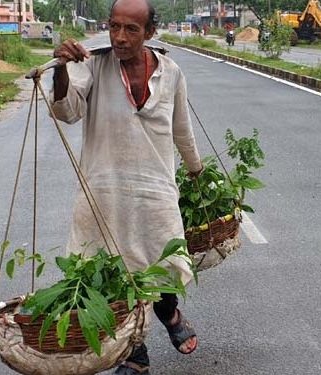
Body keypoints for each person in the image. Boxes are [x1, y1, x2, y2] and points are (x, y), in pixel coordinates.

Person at [50, 0, 203, 373]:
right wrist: (60, 70)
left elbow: (181, 127)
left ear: (149, 32)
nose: (119, 37)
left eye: (131, 29)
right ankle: (135, 353)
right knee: (113, 273)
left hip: (156, 188)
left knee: (163, 264)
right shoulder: (92, 65)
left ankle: (168, 312)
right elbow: (67, 112)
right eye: (114, 26)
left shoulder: (171, 72)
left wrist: (196, 169)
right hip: (105, 191)